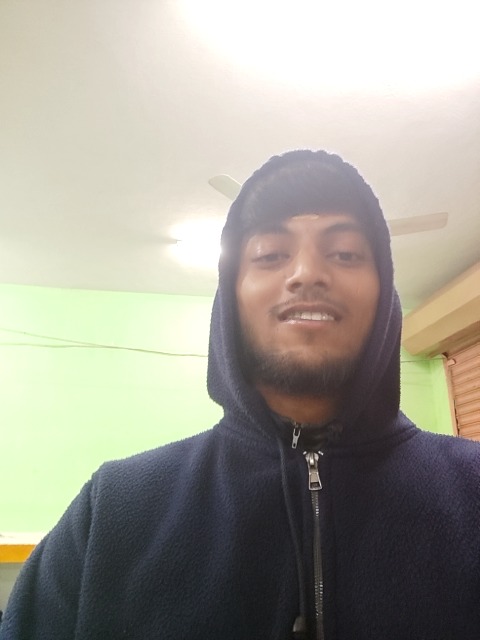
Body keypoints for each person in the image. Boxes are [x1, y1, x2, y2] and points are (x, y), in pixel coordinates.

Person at [1, 149, 479, 640]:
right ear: (229, 300)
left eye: (345, 254)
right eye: (270, 254)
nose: (306, 272)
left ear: (386, 295)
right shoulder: (111, 511)